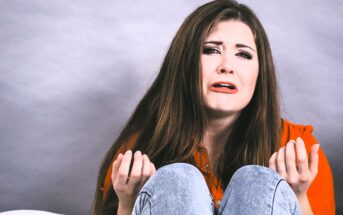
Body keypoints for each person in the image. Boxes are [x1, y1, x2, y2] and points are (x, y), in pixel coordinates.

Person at [91, 0, 335, 214]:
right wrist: (130, 203)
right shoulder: (140, 148)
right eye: (211, 50)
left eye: (243, 55)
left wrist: (297, 195)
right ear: (185, 63)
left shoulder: (298, 149)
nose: (227, 65)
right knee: (177, 180)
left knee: (257, 183)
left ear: (260, 73)